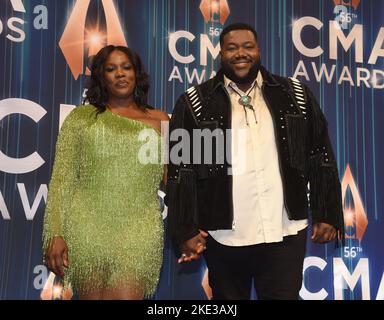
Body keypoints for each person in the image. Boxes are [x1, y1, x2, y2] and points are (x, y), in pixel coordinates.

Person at [166, 23, 344, 300]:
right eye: (232, 48)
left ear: (258, 50)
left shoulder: (294, 94)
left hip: (284, 232)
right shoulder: (196, 101)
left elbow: (319, 154)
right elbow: (182, 170)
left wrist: (327, 212)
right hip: (225, 237)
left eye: (248, 46)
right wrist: (185, 228)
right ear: (221, 53)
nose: (241, 53)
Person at [43, 45, 169, 300]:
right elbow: (61, 180)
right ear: (101, 76)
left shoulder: (160, 120)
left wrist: (192, 226)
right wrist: (55, 233)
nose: (120, 74)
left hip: (138, 231)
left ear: (137, 74)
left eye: (126, 67)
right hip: (87, 228)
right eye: (111, 69)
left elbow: (173, 180)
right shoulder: (81, 118)